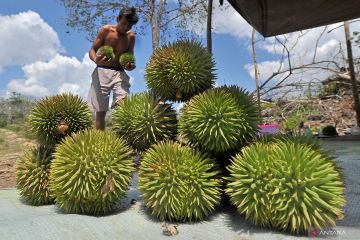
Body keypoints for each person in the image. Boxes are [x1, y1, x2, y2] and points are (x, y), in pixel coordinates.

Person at [87, 7, 138, 130]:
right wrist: (96, 60)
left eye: (129, 25)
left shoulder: (131, 37)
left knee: (123, 104)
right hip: (101, 71)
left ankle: (120, 139)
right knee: (100, 111)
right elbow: (92, 50)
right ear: (118, 19)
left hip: (119, 73)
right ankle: (99, 141)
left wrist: (129, 65)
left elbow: (129, 56)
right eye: (124, 24)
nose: (126, 28)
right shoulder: (105, 30)